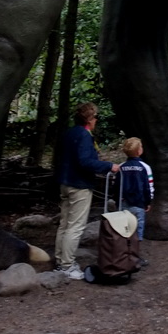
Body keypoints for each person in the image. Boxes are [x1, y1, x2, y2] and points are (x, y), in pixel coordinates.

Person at [55, 102, 121, 278]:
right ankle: (67, 266)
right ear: (89, 119)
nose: (96, 120)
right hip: (79, 185)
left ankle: (61, 259)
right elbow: (84, 161)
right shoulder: (84, 135)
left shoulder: (70, 133)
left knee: (64, 224)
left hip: (65, 182)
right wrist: (109, 166)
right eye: (95, 117)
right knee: (75, 226)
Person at [119, 136, 154, 242]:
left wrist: (117, 201)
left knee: (124, 229)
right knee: (138, 229)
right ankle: (135, 254)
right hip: (139, 204)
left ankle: (124, 253)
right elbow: (148, 187)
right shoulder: (145, 167)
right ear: (139, 151)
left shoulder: (121, 167)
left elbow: (116, 186)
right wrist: (148, 202)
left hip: (123, 203)